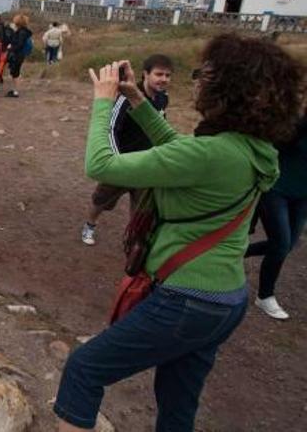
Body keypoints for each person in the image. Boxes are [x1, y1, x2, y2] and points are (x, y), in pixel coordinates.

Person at [54, 34, 304, 432]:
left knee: (84, 369)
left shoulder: (210, 153)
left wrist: (103, 102)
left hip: (185, 300)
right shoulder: (254, 150)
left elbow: (100, 165)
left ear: (230, 88)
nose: (197, 81)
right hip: (225, 301)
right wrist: (137, 99)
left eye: (204, 75)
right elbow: (177, 146)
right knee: (177, 406)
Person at [80, 54, 173, 245]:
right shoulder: (126, 96)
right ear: (145, 74)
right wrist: (115, 160)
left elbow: (161, 123)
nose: (164, 79)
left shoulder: (163, 98)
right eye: (159, 74)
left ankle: (135, 242)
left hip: (146, 164)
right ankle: (90, 224)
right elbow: (111, 128)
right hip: (122, 163)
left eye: (168, 75)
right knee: (101, 201)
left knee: (142, 209)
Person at [245, 117, 307, 320]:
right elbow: (276, 143)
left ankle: (235, 252)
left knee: (286, 245)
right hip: (276, 188)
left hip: (302, 195)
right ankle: (265, 296)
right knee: (280, 244)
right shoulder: (297, 122)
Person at [4, 14, 32, 98]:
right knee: (15, 73)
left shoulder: (21, 32)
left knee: (15, 73)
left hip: (17, 55)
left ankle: (16, 91)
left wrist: (11, 47)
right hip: (19, 54)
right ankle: (14, 89)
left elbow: (19, 44)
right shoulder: (24, 31)